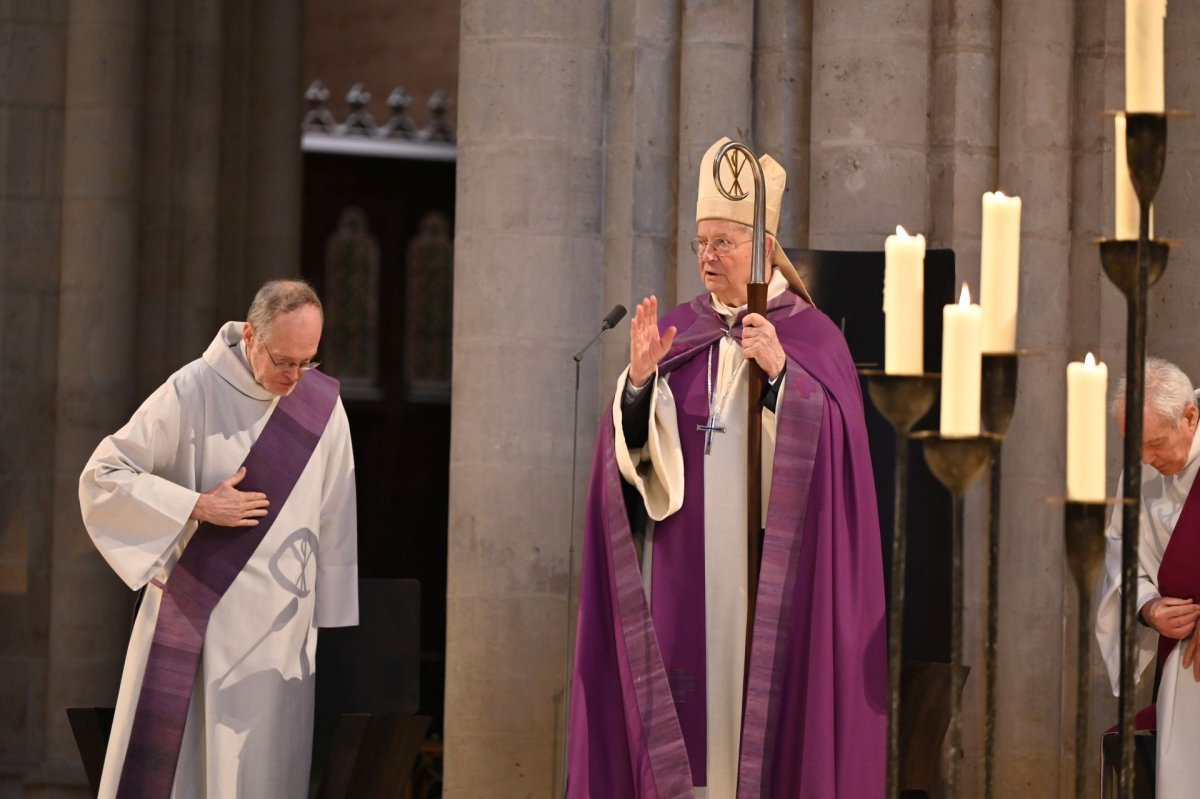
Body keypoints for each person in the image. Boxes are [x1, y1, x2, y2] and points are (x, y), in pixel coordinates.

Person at [567, 138, 886, 798]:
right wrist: (639, 385)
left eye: (723, 243)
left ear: (764, 249)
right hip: (684, 573)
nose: (707, 257)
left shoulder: (813, 338)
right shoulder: (679, 333)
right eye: (700, 243)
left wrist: (782, 375)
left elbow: (840, 466)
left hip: (775, 580)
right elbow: (636, 465)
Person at [80, 279, 358, 799]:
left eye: (308, 362)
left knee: (265, 775)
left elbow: (335, 510)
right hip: (198, 617)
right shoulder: (192, 390)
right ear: (251, 336)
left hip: (278, 637)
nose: (295, 378)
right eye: (284, 361)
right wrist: (197, 505)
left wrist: (330, 612)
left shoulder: (323, 405)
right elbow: (103, 475)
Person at [1096, 357, 1200, 798]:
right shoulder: (1142, 468)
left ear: (1190, 417)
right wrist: (1148, 606)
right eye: (1135, 446)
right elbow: (1122, 549)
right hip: (1181, 667)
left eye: (1156, 444)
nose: (1145, 459)